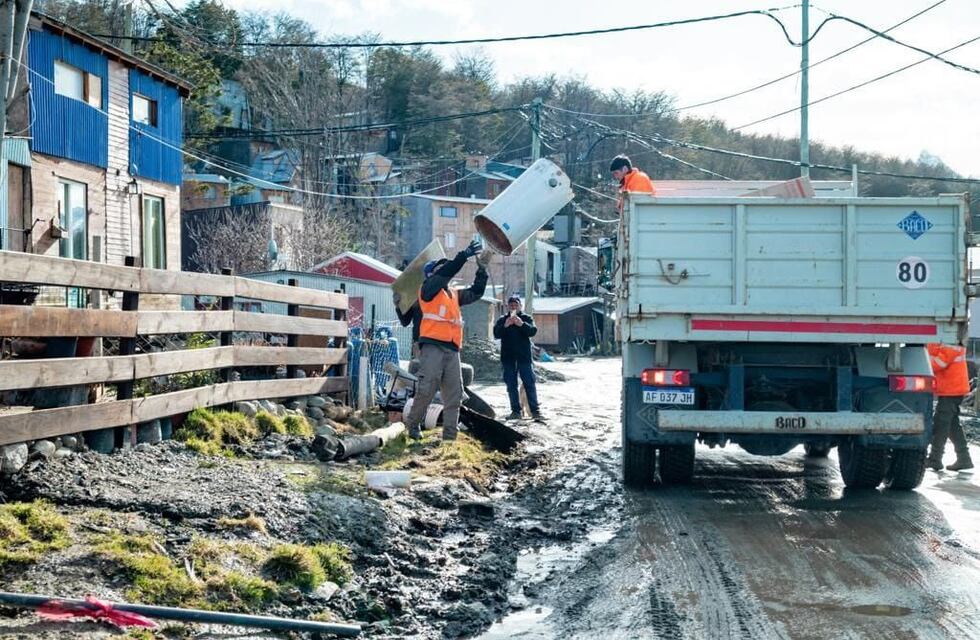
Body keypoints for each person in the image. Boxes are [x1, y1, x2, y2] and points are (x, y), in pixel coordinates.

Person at [403, 240, 490, 441]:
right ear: (431, 274)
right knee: (426, 389)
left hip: (452, 349)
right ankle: (413, 426)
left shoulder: (452, 294)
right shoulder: (427, 289)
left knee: (455, 394)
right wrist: (463, 255)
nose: (445, 270)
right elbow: (447, 271)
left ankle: (450, 437)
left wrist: (482, 270)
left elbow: (476, 292)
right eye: (440, 268)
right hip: (432, 346)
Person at [493, 295, 544, 421]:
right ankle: (515, 411)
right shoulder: (502, 319)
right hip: (508, 358)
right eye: (511, 305)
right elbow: (496, 334)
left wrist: (521, 324)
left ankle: (535, 411)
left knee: (529, 383)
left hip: (524, 358)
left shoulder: (526, 318)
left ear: (520, 306)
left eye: (516, 305)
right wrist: (505, 325)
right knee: (511, 385)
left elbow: (532, 331)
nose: (513, 307)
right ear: (507, 307)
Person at [926, 342, 974, 471]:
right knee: (952, 424)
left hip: (952, 389)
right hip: (951, 388)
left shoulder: (951, 341)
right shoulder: (947, 339)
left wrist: (921, 362)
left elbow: (940, 363)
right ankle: (964, 458)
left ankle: (935, 459)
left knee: (941, 422)